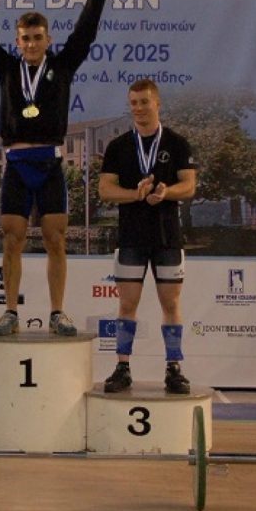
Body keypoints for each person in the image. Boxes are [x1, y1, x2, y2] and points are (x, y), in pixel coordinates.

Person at [0, 0, 108, 337]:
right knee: (12, 239)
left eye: (38, 37)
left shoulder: (64, 66)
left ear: (48, 40)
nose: (32, 43)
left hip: (50, 164)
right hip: (16, 165)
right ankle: (10, 311)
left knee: (56, 240)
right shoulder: (7, 68)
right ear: (18, 41)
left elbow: (85, 33)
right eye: (26, 38)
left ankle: (57, 312)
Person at [97, 79, 197, 394]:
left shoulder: (177, 143)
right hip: (131, 237)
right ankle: (122, 367)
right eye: (134, 103)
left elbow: (189, 185)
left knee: (171, 303)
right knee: (127, 304)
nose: (139, 108)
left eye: (144, 102)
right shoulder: (118, 146)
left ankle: (174, 368)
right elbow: (105, 190)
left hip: (168, 237)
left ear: (157, 103)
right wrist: (135, 195)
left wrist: (166, 192)